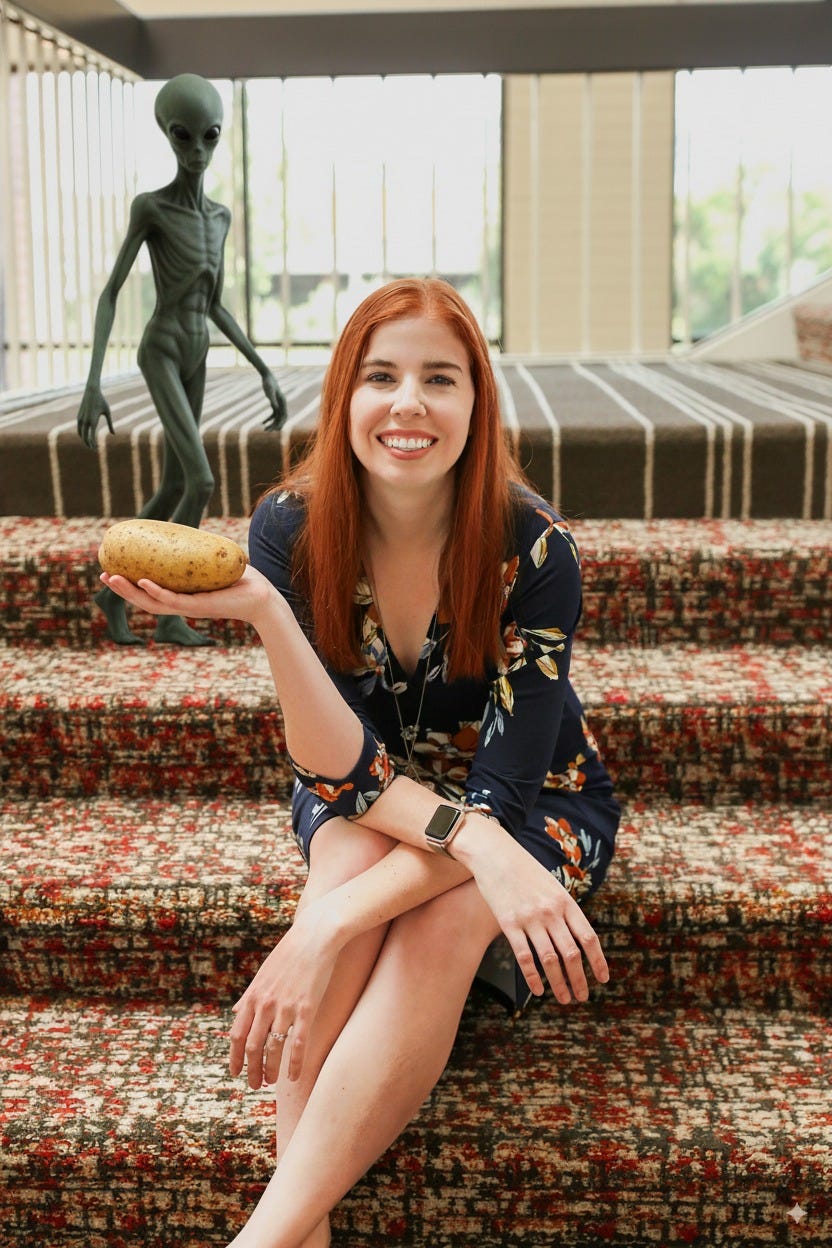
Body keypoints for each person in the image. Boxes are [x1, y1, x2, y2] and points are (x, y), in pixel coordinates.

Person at [101, 277, 620, 1248]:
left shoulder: (537, 548)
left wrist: (321, 931)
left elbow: (503, 800)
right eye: (380, 375)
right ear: (344, 397)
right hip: (369, 786)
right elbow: (338, 771)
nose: (408, 403)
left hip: (534, 798)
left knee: (438, 913)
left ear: (478, 402)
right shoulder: (290, 531)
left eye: (440, 378)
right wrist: (261, 610)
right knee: (344, 853)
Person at [78, 74, 286, 646]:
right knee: (201, 479)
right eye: (183, 137)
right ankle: (169, 610)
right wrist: (92, 382)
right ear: (167, 136)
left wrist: (263, 368)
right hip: (163, 347)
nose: (196, 152)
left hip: (197, 346)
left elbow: (215, 304)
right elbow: (111, 292)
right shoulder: (151, 207)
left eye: (209, 138)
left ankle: (109, 593)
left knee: (174, 483)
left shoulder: (217, 217)